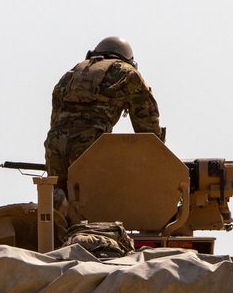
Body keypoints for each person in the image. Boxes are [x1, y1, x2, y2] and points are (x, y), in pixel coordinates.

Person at [43, 36, 163, 191]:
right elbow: (148, 130)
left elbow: (55, 118)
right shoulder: (128, 73)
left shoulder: (72, 73)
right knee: (96, 202)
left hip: (55, 144)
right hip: (90, 146)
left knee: (58, 200)